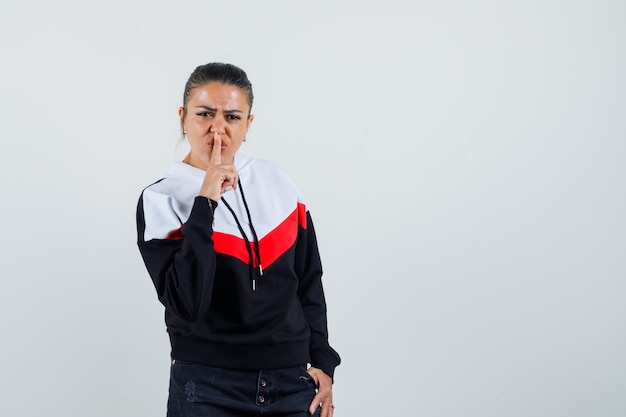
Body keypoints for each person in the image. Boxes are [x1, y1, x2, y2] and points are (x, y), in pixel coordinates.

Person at [136, 62, 340, 417]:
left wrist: (322, 361)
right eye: (204, 114)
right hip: (206, 387)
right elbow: (187, 303)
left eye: (232, 116)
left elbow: (308, 279)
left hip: (292, 385)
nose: (218, 129)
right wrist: (205, 202)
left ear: (249, 124)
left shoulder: (278, 181)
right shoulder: (161, 199)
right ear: (183, 118)